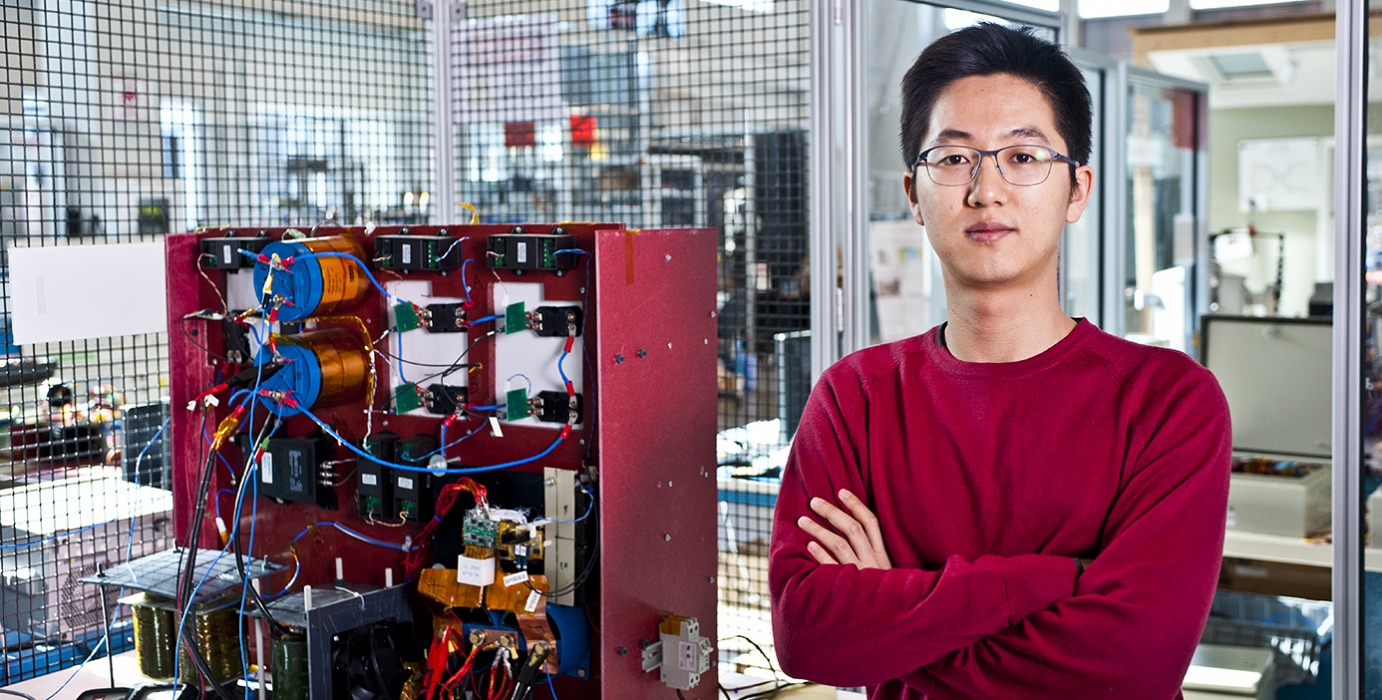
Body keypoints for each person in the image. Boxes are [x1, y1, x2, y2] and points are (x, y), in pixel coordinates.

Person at [768, 23, 1230, 700]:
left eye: (1023, 156)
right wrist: (1051, 580)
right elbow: (807, 635)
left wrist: (893, 616)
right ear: (913, 195)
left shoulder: (1169, 403)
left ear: (1077, 190)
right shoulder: (854, 397)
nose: (987, 190)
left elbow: (1131, 667)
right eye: (954, 160)